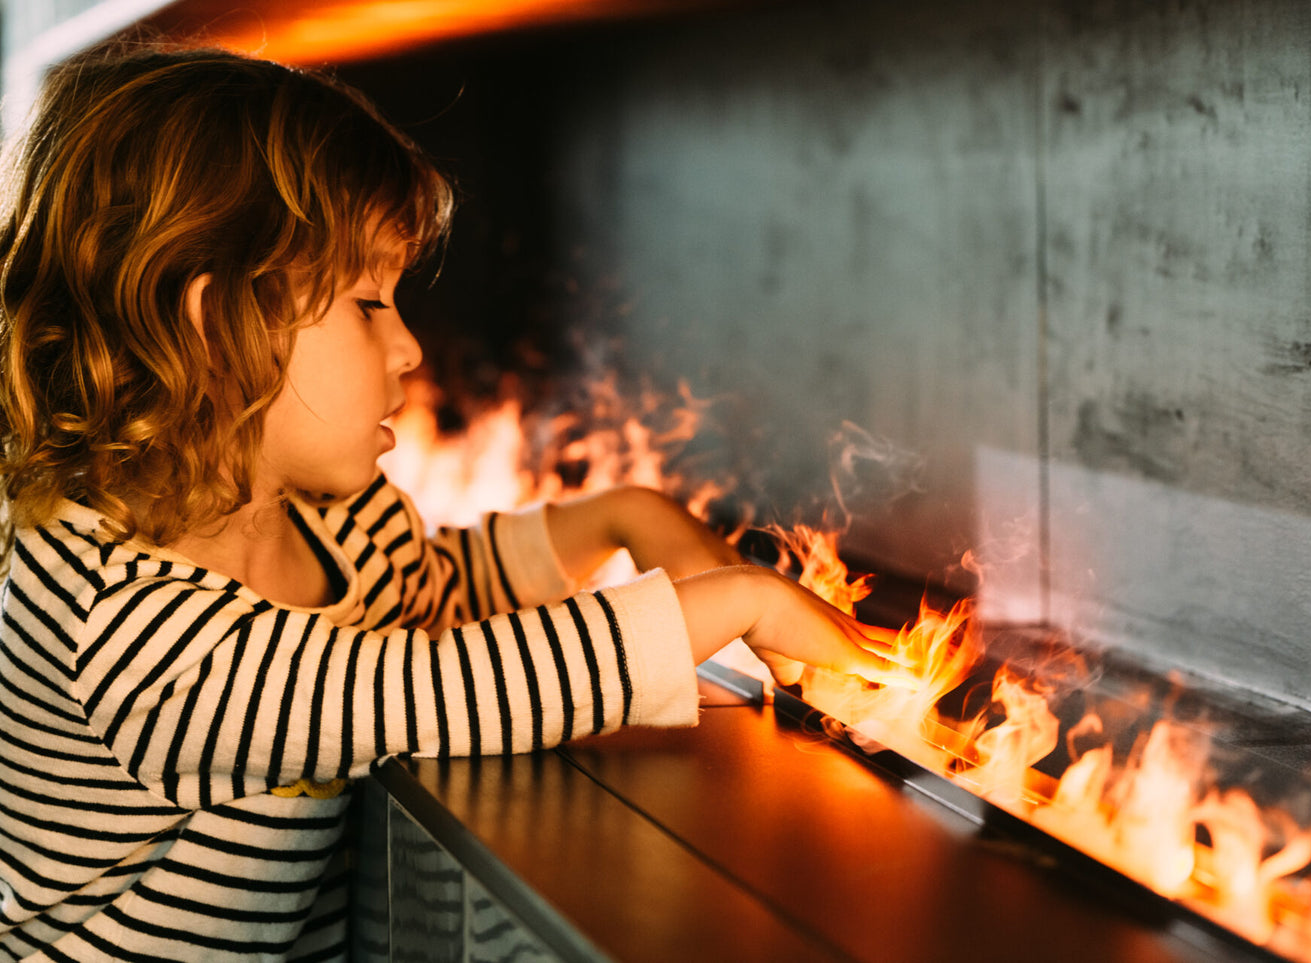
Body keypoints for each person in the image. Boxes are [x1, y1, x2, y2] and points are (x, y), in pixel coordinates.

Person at [0, 44, 904, 962]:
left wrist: (623, 517)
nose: (407, 351)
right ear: (214, 325)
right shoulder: (121, 627)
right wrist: (738, 600)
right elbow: (421, 688)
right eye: (366, 305)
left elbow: (435, 598)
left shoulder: (323, 513)